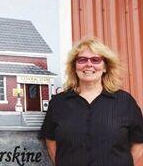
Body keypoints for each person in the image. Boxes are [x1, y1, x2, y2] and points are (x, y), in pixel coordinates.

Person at [40, 38, 143, 166]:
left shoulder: (125, 101)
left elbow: (139, 142)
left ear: (105, 67)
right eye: (82, 60)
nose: (88, 64)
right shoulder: (58, 102)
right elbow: (51, 141)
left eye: (95, 60)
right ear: (75, 67)